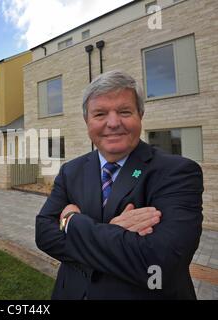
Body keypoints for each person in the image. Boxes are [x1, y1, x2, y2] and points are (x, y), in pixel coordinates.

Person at [35, 70, 203, 300]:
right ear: (87, 121)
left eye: (124, 111)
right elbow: (44, 235)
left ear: (140, 115)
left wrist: (72, 223)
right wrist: (118, 238)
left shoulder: (176, 172)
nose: (113, 123)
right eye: (100, 114)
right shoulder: (71, 170)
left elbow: (160, 264)